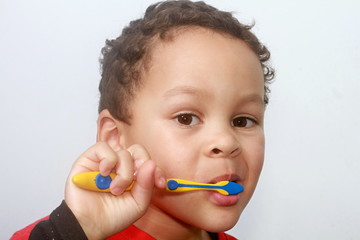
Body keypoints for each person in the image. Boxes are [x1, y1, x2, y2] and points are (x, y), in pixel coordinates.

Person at [11, 0, 274, 239]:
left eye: (242, 121)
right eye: (186, 118)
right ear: (115, 138)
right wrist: (74, 230)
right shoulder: (64, 234)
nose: (227, 142)